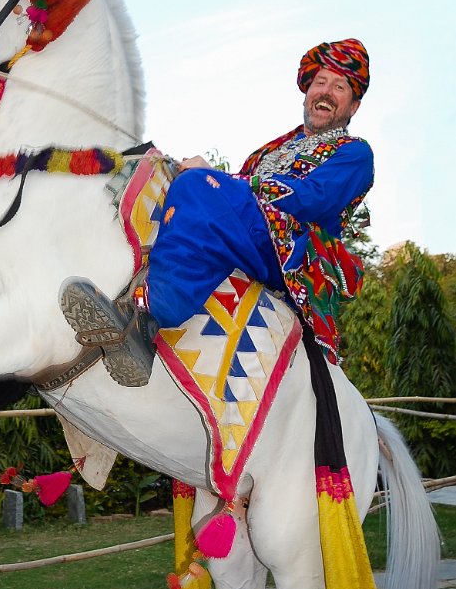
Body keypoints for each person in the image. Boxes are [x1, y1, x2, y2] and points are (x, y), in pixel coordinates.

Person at [60, 38, 373, 386]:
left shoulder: (355, 154)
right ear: (306, 92)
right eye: (320, 82)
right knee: (149, 167)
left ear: (354, 105)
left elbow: (313, 199)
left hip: (290, 250)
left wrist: (215, 179)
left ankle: (148, 316)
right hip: (250, 234)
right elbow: (233, 195)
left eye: (339, 86)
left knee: (196, 187)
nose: (326, 92)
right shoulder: (269, 152)